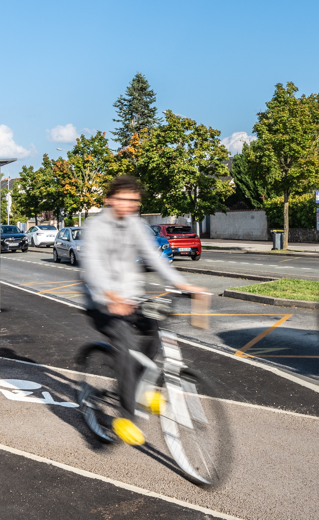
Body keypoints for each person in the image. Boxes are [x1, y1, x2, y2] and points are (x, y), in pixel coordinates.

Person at [82, 175, 205, 446]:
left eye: (135, 202)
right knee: (124, 342)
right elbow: (92, 267)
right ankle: (125, 417)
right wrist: (110, 295)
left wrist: (182, 284)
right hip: (101, 301)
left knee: (156, 330)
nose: (129, 206)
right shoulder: (95, 227)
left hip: (131, 299)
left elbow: (154, 257)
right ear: (110, 199)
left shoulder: (136, 226)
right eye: (124, 199)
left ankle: (140, 386)